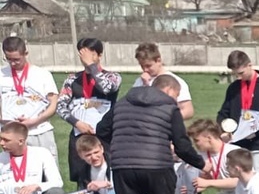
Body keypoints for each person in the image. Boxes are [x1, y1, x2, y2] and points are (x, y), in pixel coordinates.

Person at [56, 37, 122, 184]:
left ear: (99, 55)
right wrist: (77, 123)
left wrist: (92, 66)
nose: (85, 58)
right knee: (83, 178)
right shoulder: (72, 79)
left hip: (104, 135)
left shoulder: (113, 76)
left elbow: (106, 88)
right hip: (79, 134)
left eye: (90, 53)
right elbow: (60, 106)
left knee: (109, 175)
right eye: (82, 53)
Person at [217, 50, 259, 175]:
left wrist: (258, 133)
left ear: (250, 65)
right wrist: (224, 129)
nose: (238, 77)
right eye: (235, 74)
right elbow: (224, 113)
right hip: (237, 146)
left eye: (241, 73)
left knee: (258, 182)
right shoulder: (233, 88)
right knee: (237, 182)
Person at [1, 36, 60, 160]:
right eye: (8, 59)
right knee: (15, 169)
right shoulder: (1, 74)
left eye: (16, 59)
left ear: (25, 53)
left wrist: (35, 121)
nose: (12, 63)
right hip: (11, 135)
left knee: (46, 168)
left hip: (39, 131)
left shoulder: (42, 74)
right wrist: (5, 121)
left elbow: (53, 104)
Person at [188, 118, 240, 194]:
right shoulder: (202, 156)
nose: (195, 144)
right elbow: (202, 182)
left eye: (196, 140)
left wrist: (208, 183)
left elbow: (238, 181)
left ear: (209, 138)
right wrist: (191, 189)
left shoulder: (234, 152)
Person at [132, 42, 195, 119]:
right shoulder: (139, 82)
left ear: (159, 61)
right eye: (142, 66)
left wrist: (166, 119)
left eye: (148, 66)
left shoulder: (175, 81)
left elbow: (188, 111)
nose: (145, 69)